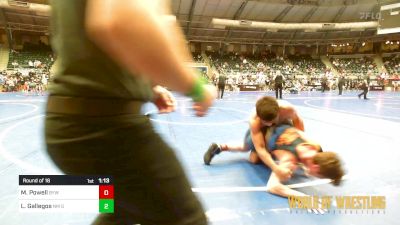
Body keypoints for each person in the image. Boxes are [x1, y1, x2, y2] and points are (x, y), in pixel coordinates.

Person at [46, 1, 216, 224]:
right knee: (187, 219)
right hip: (106, 130)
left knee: (124, 209)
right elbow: (120, 21)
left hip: (70, 123)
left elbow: (88, 43)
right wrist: (196, 89)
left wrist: (146, 88)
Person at [204, 123, 344, 198]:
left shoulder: (314, 146)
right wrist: (304, 198)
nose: (315, 177)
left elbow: (298, 130)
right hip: (260, 134)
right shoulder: (290, 160)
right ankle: (221, 147)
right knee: (245, 148)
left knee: (255, 157)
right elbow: (272, 187)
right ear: (316, 168)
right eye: (318, 175)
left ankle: (253, 151)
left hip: (276, 126)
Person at [204, 96, 304, 181]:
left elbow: (298, 122)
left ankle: (278, 150)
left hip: (283, 125)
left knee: (285, 141)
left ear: (278, 112)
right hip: (262, 130)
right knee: (250, 154)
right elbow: (260, 148)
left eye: (272, 121)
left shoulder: (287, 109)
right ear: (259, 117)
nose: (270, 124)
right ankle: (220, 147)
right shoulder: (255, 121)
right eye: (266, 122)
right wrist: (276, 169)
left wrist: (299, 143)